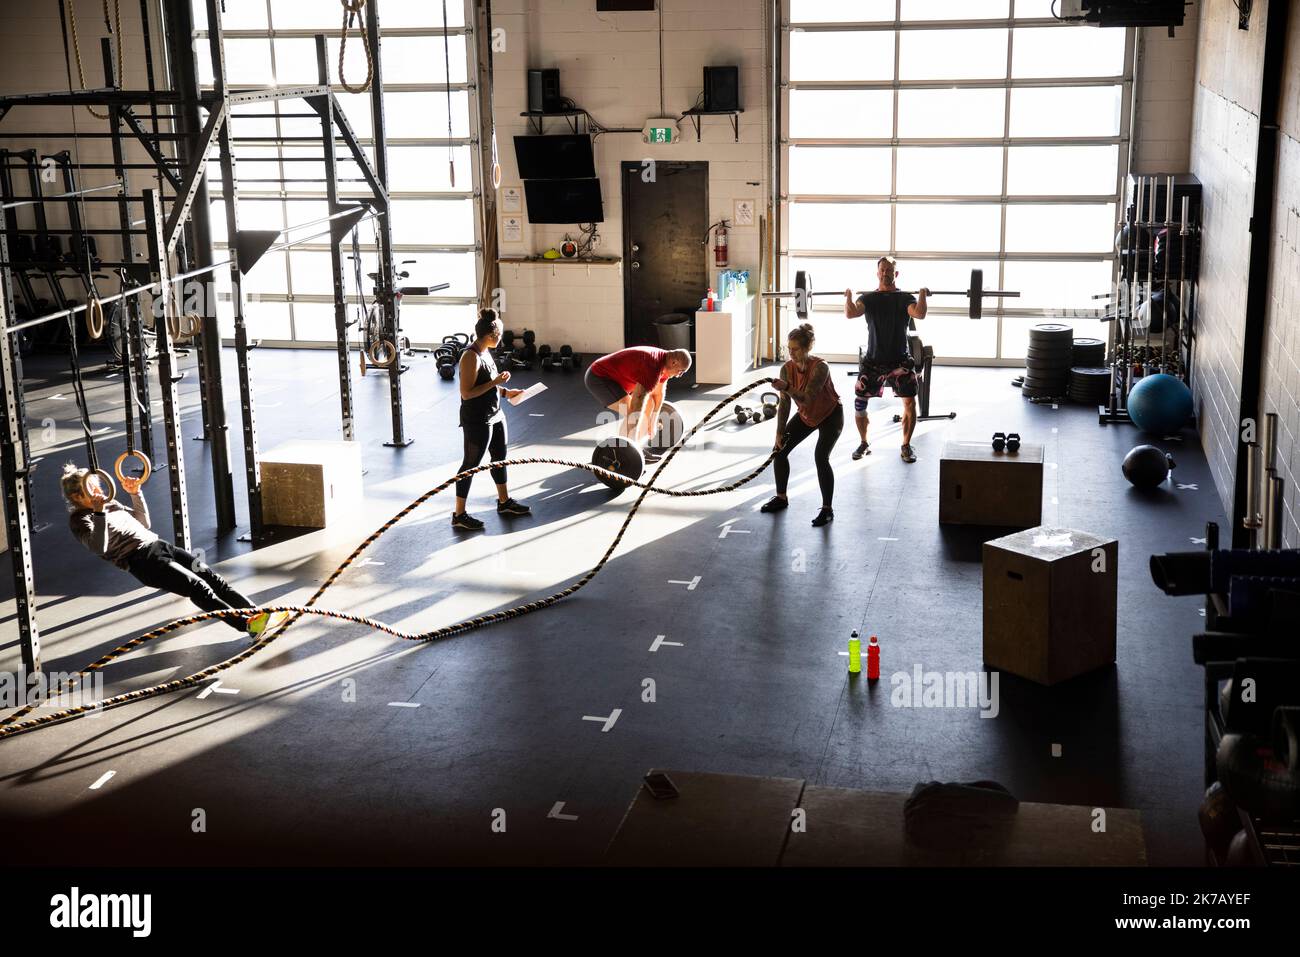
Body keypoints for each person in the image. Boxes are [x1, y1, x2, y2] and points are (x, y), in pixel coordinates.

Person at [62, 464, 285, 638]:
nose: (97, 491)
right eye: (90, 488)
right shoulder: (79, 519)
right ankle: (247, 625)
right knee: (198, 588)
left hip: (161, 546)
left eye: (97, 485)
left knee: (214, 579)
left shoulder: (110, 504)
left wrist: (135, 493)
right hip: (142, 561)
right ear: (77, 497)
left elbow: (143, 522)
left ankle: (258, 615)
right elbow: (97, 546)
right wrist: (99, 513)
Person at [843, 256, 929, 464]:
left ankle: (906, 445)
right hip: (873, 361)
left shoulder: (905, 298)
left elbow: (919, 313)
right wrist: (848, 297)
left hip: (900, 361)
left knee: (910, 403)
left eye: (889, 270)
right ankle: (864, 443)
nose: (885, 273)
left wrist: (922, 295)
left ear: (895, 273)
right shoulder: (868, 298)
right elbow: (851, 313)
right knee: (859, 404)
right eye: (882, 270)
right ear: (877, 273)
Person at [452, 309, 532, 531]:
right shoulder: (470, 356)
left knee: (499, 457)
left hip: (495, 413)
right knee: (471, 464)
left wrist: (506, 392)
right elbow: (467, 393)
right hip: (477, 418)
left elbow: (489, 384)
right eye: (501, 333)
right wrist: (495, 381)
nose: (502, 337)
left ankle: (504, 502)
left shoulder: (486, 351)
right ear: (491, 335)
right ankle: (459, 514)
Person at [761, 323, 843, 527]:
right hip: (806, 416)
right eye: (789, 349)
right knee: (779, 451)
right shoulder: (786, 370)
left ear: (807, 348)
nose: (791, 353)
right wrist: (779, 433)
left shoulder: (821, 367)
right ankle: (781, 497)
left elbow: (807, 399)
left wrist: (787, 387)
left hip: (830, 415)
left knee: (821, 457)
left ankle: (827, 510)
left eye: (795, 349)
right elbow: (786, 403)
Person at [584, 345, 692, 462]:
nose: (679, 375)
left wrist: (653, 420)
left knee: (649, 404)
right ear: (674, 362)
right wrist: (635, 446)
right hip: (599, 378)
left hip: (615, 379)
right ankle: (624, 454)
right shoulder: (653, 366)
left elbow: (658, 394)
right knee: (632, 414)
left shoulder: (665, 362)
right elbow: (637, 406)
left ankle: (634, 448)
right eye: (681, 371)